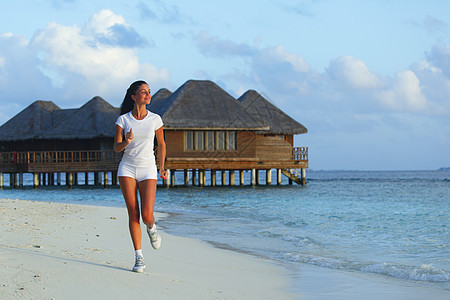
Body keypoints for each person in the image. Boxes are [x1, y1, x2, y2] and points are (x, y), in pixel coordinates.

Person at [114, 80, 168, 273]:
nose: (147, 95)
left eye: (149, 92)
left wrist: (161, 167)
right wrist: (127, 141)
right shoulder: (123, 120)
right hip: (127, 168)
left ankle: (152, 229)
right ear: (134, 96)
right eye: (143, 92)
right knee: (133, 213)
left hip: (147, 168)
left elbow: (161, 144)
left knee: (146, 215)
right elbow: (116, 147)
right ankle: (139, 257)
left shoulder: (155, 119)